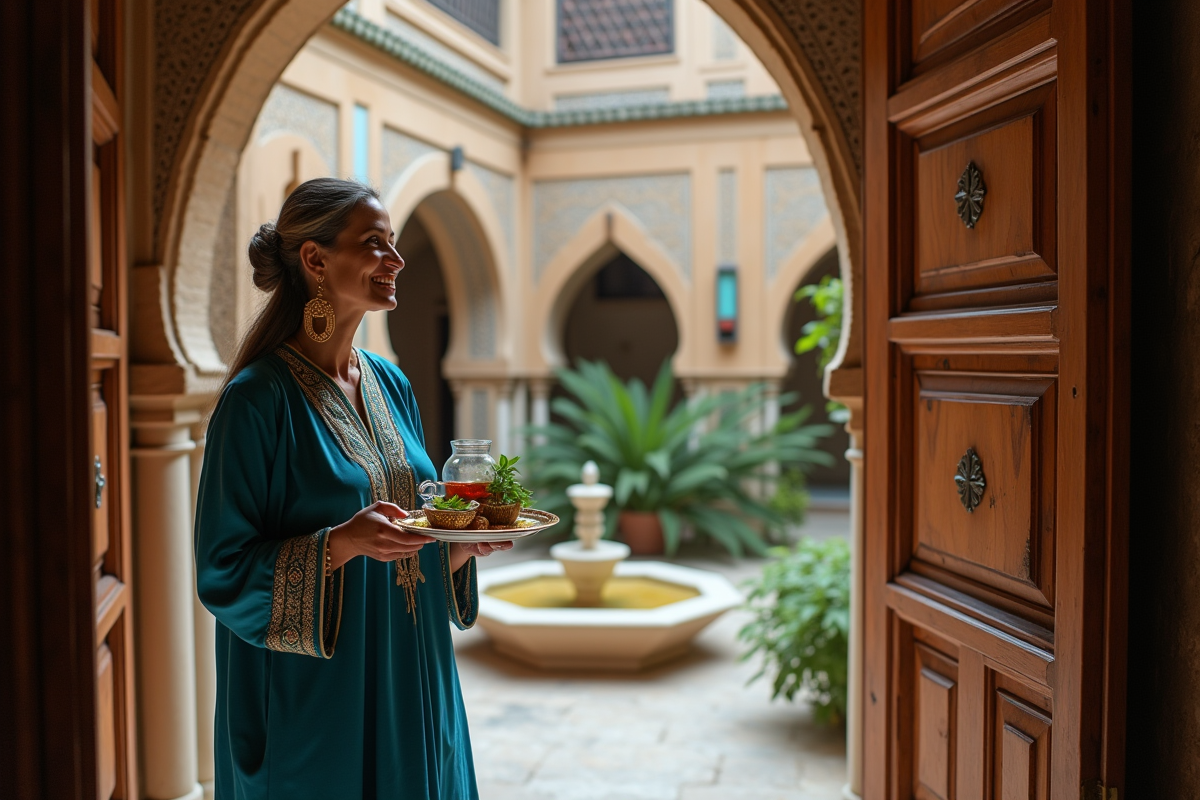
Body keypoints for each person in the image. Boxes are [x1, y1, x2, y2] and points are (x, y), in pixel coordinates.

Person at [194, 177, 510, 799]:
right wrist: (338, 544)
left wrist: (457, 549)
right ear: (315, 259)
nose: (395, 260)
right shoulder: (257, 401)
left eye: (393, 243)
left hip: (415, 668)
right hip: (318, 696)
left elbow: (407, 531)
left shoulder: (391, 383)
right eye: (374, 243)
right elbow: (221, 570)